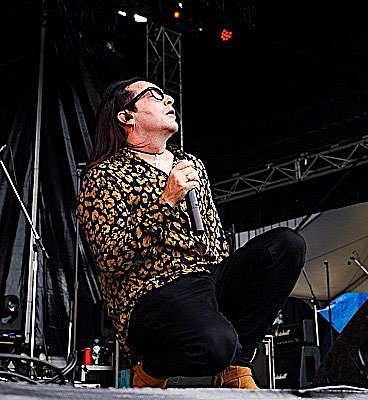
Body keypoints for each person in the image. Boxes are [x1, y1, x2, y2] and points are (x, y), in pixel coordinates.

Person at [76, 77, 306, 389]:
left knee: (286, 244)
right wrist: (166, 202)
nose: (169, 99)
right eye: (155, 95)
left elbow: (215, 238)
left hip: (205, 277)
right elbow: (111, 259)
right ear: (127, 116)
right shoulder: (105, 175)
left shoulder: (190, 163)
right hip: (153, 290)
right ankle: (150, 370)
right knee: (215, 346)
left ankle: (236, 365)